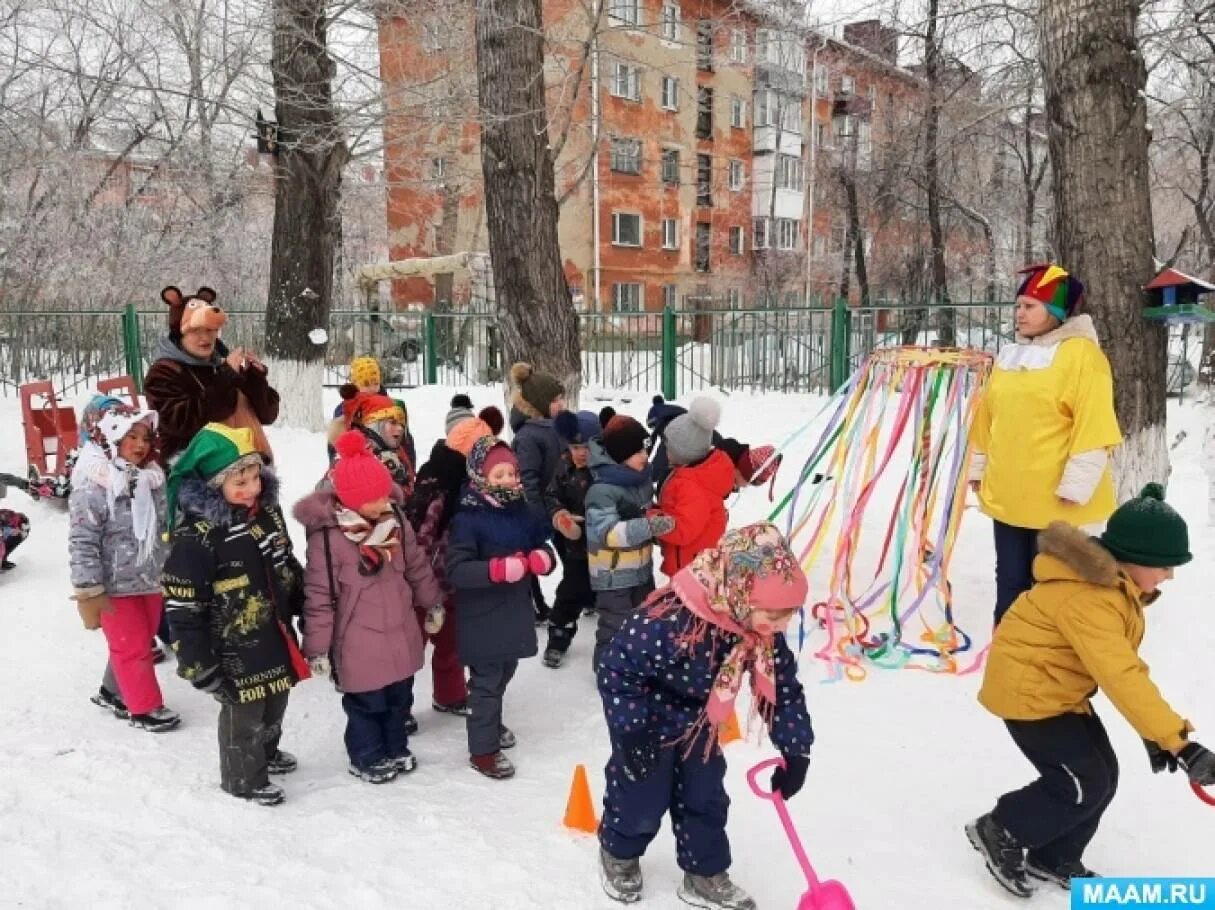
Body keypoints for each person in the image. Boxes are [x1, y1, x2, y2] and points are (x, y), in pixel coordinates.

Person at [966, 484, 1215, 897]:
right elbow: (1121, 677)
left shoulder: (1116, 590)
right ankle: (1001, 828)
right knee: (1080, 783)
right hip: (1030, 696)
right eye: (1165, 565)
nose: (1169, 575)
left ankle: (1052, 856)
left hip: (1059, 691)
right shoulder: (1090, 598)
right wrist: (1180, 745)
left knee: (1104, 776)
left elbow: (1124, 668)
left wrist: (1157, 736)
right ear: (1135, 558)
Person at [597, 522, 814, 909]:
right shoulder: (670, 619)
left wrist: (796, 749)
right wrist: (631, 730)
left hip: (701, 724)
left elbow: (782, 687)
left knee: (706, 797)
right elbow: (617, 668)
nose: (780, 627)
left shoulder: (755, 628)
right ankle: (619, 853)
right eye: (775, 616)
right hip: (649, 721)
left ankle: (704, 873)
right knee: (640, 799)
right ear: (740, 594)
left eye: (788, 617)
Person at [162, 423, 307, 806]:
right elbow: (183, 608)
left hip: (273, 633)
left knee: (276, 700)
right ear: (213, 485)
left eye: (254, 476)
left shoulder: (267, 516)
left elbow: (287, 565)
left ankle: (267, 751)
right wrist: (200, 665)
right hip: (232, 648)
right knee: (243, 713)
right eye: (238, 481)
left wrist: (304, 604)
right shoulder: (197, 539)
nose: (251, 488)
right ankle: (242, 776)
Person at [969, 264, 1122, 624]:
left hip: (1056, 501)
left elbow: (1095, 422)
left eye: (1029, 306)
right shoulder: (1009, 357)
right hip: (1009, 495)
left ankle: (1047, 659)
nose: (1018, 313)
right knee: (1009, 580)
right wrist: (978, 467)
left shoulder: (1082, 356)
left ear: (1054, 313)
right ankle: (1008, 654)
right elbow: (986, 418)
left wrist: (1076, 484)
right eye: (1017, 305)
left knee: (1052, 585)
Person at [296, 431, 444, 784]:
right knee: (366, 703)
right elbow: (319, 596)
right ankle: (365, 755)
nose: (385, 503)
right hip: (357, 637)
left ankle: (395, 746)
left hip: (399, 627)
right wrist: (317, 648)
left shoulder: (396, 521)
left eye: (385, 494)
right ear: (350, 500)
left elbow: (417, 566)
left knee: (399, 696)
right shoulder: (329, 539)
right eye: (375, 498)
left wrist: (432, 603)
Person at [446, 434, 555, 779]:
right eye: (499, 475)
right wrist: (495, 570)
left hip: (513, 610)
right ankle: (483, 752)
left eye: (512, 473)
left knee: (503, 673)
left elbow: (542, 543)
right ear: (481, 477)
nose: (508, 480)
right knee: (487, 682)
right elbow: (457, 570)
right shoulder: (467, 519)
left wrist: (544, 559)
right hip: (482, 614)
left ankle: (488, 721)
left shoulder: (520, 508)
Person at [69, 397, 179, 731]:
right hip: (113, 584)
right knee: (133, 649)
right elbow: (83, 539)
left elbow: (162, 528)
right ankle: (144, 708)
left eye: (146, 438)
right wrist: (89, 587)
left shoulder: (152, 479)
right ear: (110, 438)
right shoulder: (93, 484)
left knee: (137, 640)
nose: (140, 445)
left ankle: (111, 691)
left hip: (149, 577)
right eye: (131, 437)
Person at [399, 396, 504, 725]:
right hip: (426, 583)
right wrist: (423, 582)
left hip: (455, 580)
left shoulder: (465, 483)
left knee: (452, 641)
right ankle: (398, 709)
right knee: (410, 646)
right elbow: (421, 537)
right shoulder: (441, 486)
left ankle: (450, 694)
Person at [143, 285, 279, 463]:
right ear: (179, 334)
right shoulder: (164, 372)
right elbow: (179, 423)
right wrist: (224, 378)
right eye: (195, 331)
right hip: (193, 470)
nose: (205, 338)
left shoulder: (222, 364)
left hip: (247, 469)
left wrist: (256, 379)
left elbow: (268, 415)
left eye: (209, 330)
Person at [583, 414, 672, 672]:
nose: (645, 456)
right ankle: (607, 668)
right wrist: (648, 527)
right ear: (621, 455)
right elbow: (606, 533)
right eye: (637, 452)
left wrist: (658, 527)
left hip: (641, 569)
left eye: (645, 449)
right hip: (613, 576)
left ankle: (636, 663)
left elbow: (646, 514)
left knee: (645, 618)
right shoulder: (601, 490)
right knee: (615, 624)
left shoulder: (640, 480)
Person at [508, 361, 567, 624]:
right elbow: (527, 479)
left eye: (561, 398)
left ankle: (583, 596)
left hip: (560, 503)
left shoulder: (553, 427)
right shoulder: (528, 437)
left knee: (572, 554)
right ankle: (537, 606)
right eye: (556, 400)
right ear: (541, 404)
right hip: (539, 509)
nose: (561, 405)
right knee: (532, 558)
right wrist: (536, 516)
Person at [654, 397, 736, 576]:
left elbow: (684, 528)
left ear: (683, 452)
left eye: (668, 448)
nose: (665, 452)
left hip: (694, 573)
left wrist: (650, 519)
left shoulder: (692, 484)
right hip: (693, 565)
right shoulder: (692, 474)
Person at [541, 410, 598, 668]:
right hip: (575, 546)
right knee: (570, 590)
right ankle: (559, 636)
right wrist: (559, 514)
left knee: (610, 594)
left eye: (587, 447)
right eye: (576, 447)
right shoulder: (564, 465)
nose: (581, 453)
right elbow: (551, 495)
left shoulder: (604, 470)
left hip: (605, 548)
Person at [326, 356, 417, 468]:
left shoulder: (389, 406)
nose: (372, 388)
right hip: (357, 461)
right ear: (355, 385)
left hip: (388, 461)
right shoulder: (345, 408)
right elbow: (337, 440)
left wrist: (408, 467)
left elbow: (404, 440)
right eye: (366, 385)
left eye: (376, 383)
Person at [329, 385, 415, 498]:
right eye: (392, 422)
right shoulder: (351, 460)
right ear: (372, 425)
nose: (400, 428)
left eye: (401, 424)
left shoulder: (397, 452)